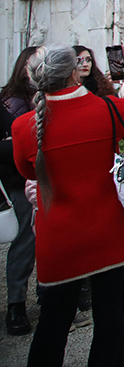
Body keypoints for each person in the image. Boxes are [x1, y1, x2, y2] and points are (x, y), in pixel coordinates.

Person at [12, 45, 124, 365]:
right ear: (75, 72)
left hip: (59, 236)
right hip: (109, 232)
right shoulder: (107, 109)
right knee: (110, 316)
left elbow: (26, 170)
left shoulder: (23, 128)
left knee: (53, 321)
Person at [1, 47, 38, 336]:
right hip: (20, 180)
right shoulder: (12, 102)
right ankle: (16, 304)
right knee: (25, 241)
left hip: (44, 179)